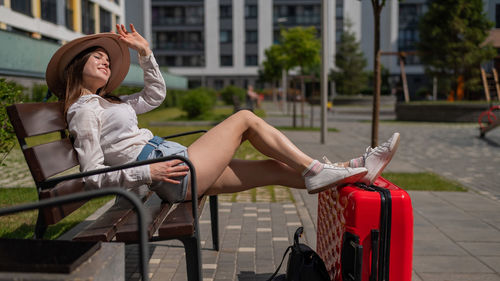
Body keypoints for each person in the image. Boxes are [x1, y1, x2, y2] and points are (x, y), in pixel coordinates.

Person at [45, 24, 400, 204]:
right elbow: (92, 177)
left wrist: (145, 53)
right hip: (167, 173)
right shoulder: (83, 110)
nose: (105, 61)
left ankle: (354, 173)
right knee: (245, 118)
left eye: (107, 58)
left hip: (173, 163)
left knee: (274, 169)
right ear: (77, 67)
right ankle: (317, 169)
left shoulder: (111, 104)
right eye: (98, 58)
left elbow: (155, 94)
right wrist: (147, 170)